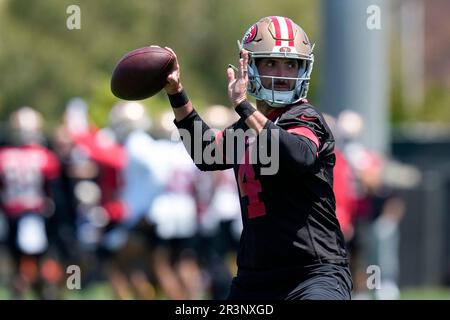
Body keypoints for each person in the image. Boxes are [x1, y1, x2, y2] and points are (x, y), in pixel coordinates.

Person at [163, 16, 352, 300]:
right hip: (256, 277)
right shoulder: (249, 126)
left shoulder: (305, 117)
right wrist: (176, 92)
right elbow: (206, 155)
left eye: (291, 64)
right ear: (251, 67)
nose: (283, 73)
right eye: (271, 63)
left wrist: (244, 108)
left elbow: (298, 155)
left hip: (312, 273)